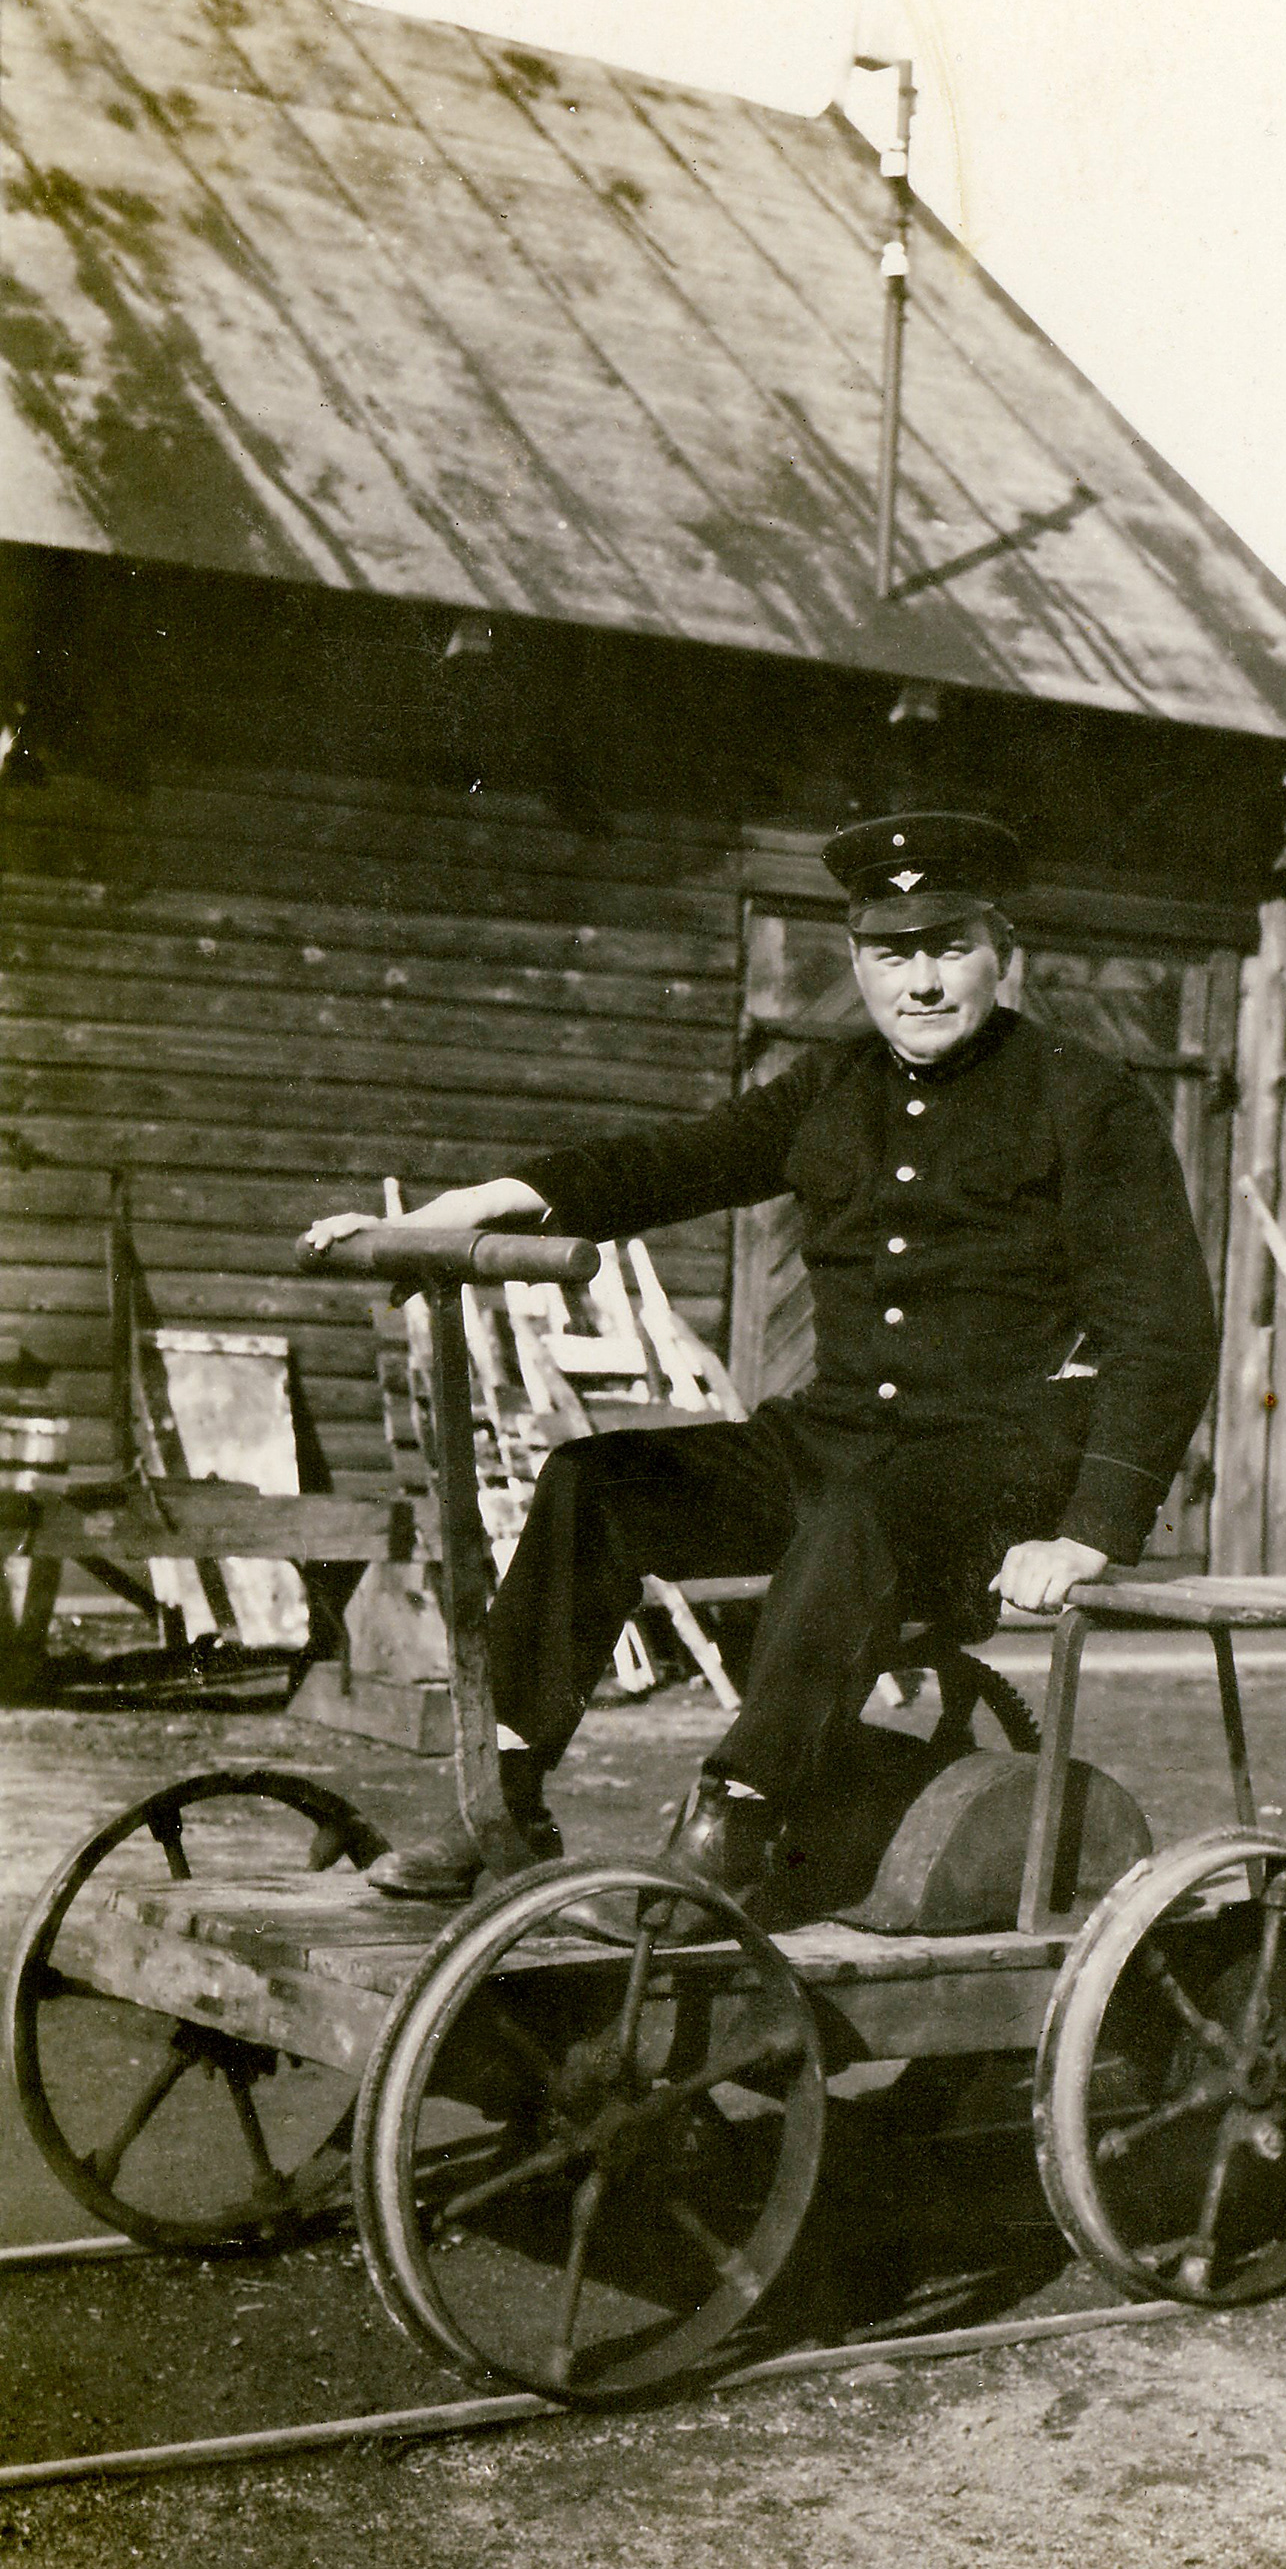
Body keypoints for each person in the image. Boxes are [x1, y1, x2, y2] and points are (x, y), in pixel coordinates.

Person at [304, 811, 1218, 1908]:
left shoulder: (1085, 1100)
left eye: (947, 947)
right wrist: (493, 1198)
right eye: (892, 953)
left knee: (861, 1516)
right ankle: (498, 1790)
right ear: (857, 960)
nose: (920, 982)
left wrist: (1090, 1531)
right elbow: (681, 1160)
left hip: (995, 1467)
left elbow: (1164, 1328)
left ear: (1000, 951)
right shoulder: (834, 1089)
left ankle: (738, 1812)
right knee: (600, 1483)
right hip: (835, 1443)